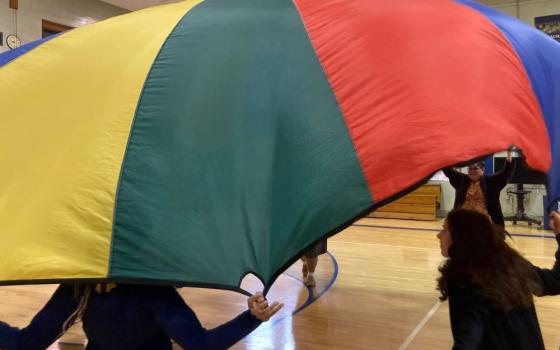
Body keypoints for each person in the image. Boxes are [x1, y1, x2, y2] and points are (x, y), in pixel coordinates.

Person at [0, 283, 283, 349]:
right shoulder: (78, 287)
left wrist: (252, 318)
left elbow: (200, 345)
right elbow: (27, 343)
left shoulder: (153, 292)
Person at [436, 208, 560, 349]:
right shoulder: (513, 263)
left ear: (461, 237)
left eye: (445, 229)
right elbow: (556, 281)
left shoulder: (465, 281)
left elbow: (468, 339)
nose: (438, 235)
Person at [442, 150, 514, 227]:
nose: (472, 171)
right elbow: (448, 171)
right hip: (463, 222)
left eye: (475, 168)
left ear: (483, 170)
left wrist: (509, 153)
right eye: (470, 169)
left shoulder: (490, 182)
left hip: (484, 223)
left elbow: (506, 172)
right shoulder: (462, 180)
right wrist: (443, 153)